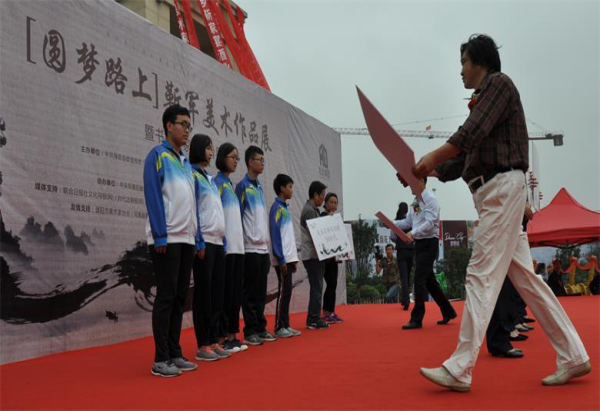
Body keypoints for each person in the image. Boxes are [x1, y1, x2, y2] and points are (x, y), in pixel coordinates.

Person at [414, 34, 590, 392]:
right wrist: (426, 170)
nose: (460, 71)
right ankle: (573, 355)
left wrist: (433, 157)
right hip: (493, 191)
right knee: (527, 280)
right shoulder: (483, 100)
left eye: (463, 62)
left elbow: (468, 135)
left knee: (479, 274)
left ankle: (460, 367)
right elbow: (462, 159)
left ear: (481, 61)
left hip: (500, 191)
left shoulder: (499, 85)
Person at [143, 105, 199, 377]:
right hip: (167, 238)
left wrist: (196, 237)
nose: (187, 129)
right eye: (183, 124)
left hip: (186, 238)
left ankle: (174, 352)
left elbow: (191, 203)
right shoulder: (157, 156)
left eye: (190, 125)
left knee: (179, 298)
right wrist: (159, 234)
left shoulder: (186, 163)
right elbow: (153, 195)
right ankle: (160, 359)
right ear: (168, 125)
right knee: (166, 297)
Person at [394, 177, 457, 330]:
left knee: (419, 279)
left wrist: (413, 233)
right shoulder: (416, 201)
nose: (409, 185)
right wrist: (392, 224)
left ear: (422, 181)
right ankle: (448, 311)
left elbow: (429, 223)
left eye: (412, 182)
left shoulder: (431, 200)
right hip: (420, 244)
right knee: (429, 281)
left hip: (430, 243)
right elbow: (409, 222)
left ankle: (417, 318)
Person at [189, 134, 229, 362]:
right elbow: (193, 209)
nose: (211, 152)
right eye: (207, 148)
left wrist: (222, 241)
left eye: (212, 148)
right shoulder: (193, 175)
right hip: (204, 241)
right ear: (197, 149)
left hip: (217, 241)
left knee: (216, 294)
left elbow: (217, 211)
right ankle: (202, 343)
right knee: (203, 295)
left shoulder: (211, 180)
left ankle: (214, 339)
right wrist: (199, 240)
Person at [235, 146, 275, 345]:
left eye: (263, 160)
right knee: (249, 292)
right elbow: (238, 216)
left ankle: (260, 327)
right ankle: (250, 330)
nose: (262, 163)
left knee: (261, 292)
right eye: (260, 160)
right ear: (250, 162)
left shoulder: (259, 187)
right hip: (249, 248)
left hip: (262, 249)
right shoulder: (242, 186)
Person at [213, 143, 248, 353]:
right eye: (232, 157)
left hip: (238, 248)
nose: (235, 160)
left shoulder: (231, 186)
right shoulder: (216, 183)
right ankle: (223, 336)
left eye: (237, 157)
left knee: (235, 294)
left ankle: (234, 334)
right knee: (224, 294)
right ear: (222, 158)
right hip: (225, 247)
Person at [269, 174, 301, 338]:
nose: (291, 190)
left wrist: (293, 259)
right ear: (282, 188)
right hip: (282, 259)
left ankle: (285, 324)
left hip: (288, 259)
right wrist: (281, 258)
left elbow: (288, 238)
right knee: (284, 291)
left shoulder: (285, 209)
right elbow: (275, 235)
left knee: (287, 291)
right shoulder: (276, 208)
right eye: (289, 187)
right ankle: (279, 326)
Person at [301, 180, 329, 330]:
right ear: (315, 194)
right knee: (317, 287)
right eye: (322, 195)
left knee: (316, 286)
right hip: (312, 255)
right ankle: (314, 318)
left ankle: (313, 318)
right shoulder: (310, 211)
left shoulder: (313, 210)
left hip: (315, 255)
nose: (323, 199)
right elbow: (316, 235)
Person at [320, 192, 343, 323]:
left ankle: (331, 311)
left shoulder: (336, 218)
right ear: (326, 203)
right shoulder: (322, 216)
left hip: (334, 257)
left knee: (333, 284)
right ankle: (325, 312)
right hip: (326, 257)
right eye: (331, 202)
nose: (334, 205)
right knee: (330, 283)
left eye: (335, 203)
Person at [394, 202, 414, 310]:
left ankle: (405, 301)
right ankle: (405, 300)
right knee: (408, 275)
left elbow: (392, 237)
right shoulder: (411, 221)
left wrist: (398, 240)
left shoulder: (396, 221)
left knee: (403, 277)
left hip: (401, 251)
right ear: (407, 210)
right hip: (411, 250)